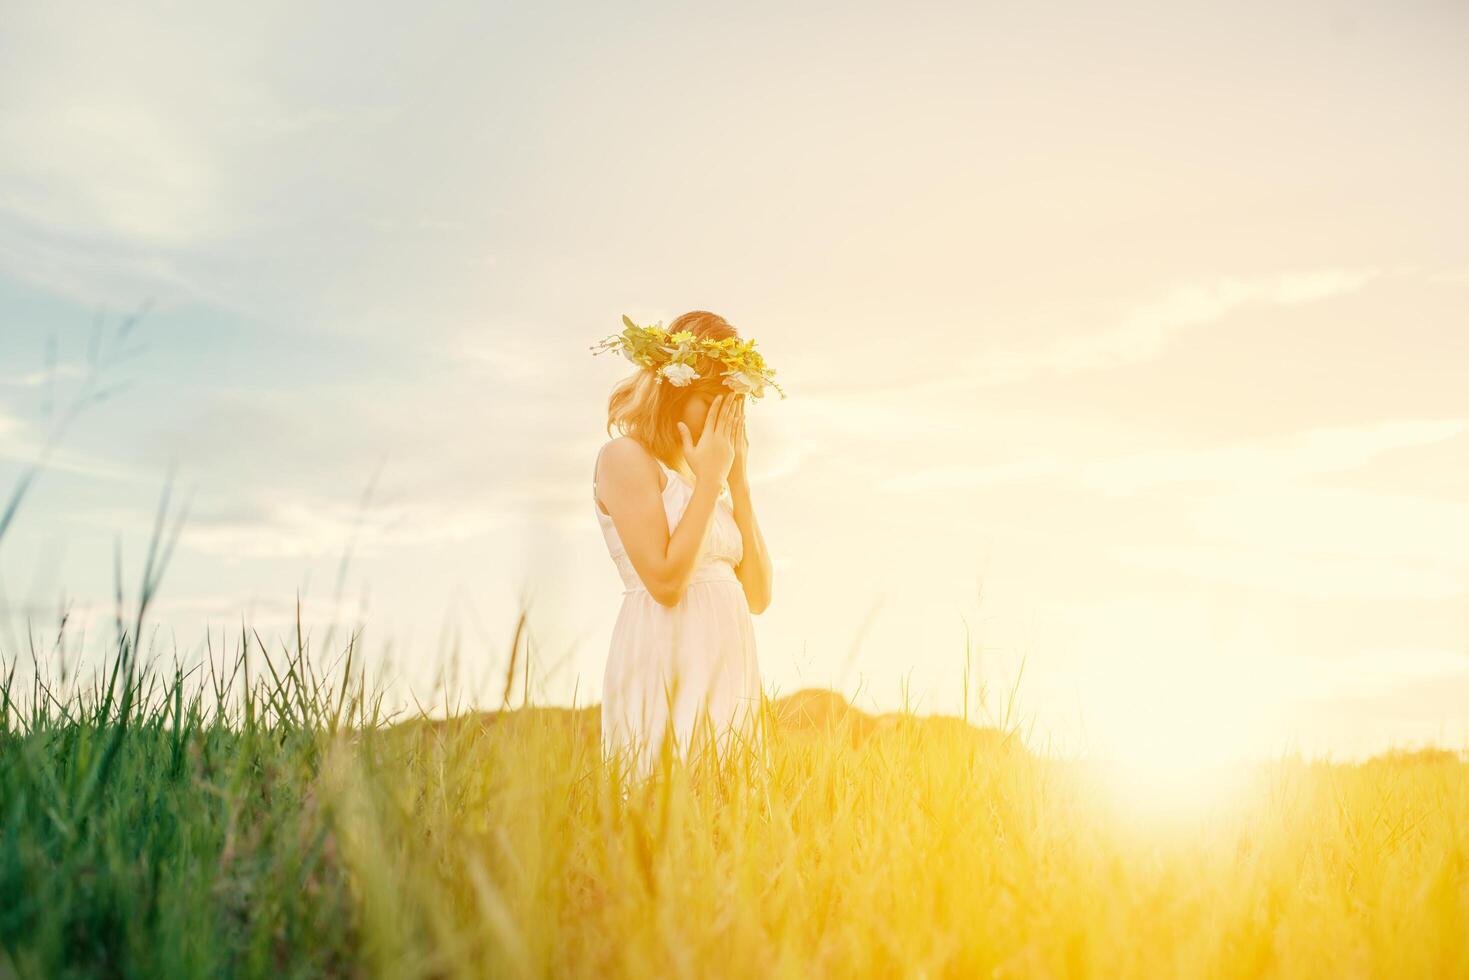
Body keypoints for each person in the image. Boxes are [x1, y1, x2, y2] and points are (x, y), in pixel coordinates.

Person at [590, 310, 781, 780]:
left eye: (732, 403)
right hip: (665, 652)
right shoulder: (626, 458)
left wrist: (737, 482)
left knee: (728, 821)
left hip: (727, 662)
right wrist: (711, 479)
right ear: (671, 390)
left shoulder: (706, 479)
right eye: (709, 400)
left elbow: (758, 596)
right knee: (664, 807)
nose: (723, 417)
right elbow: (666, 582)